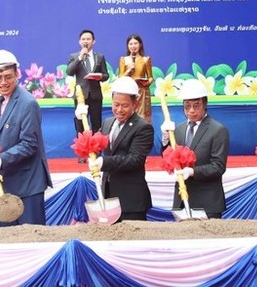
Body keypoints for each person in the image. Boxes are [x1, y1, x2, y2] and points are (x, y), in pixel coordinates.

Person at [0, 50, 53, 225]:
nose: (3, 82)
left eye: (8, 77)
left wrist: (1, 159)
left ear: (17, 74)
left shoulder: (28, 103)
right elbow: (0, 132)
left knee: (30, 238)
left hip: (26, 185)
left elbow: (29, 144)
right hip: (3, 183)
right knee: (6, 240)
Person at [160, 79, 229, 219]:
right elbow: (169, 157)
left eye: (196, 106)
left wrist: (192, 171)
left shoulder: (218, 130)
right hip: (182, 199)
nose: (191, 110)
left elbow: (218, 167)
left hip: (207, 202)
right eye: (187, 106)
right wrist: (165, 139)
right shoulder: (178, 130)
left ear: (205, 104)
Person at [88, 76, 154, 221]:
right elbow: (94, 144)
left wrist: (104, 162)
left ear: (135, 104)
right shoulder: (107, 123)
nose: (119, 110)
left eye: (124, 106)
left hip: (130, 202)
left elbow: (134, 160)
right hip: (108, 197)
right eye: (116, 104)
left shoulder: (143, 127)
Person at [67, 29, 109, 136]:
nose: (86, 41)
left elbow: (106, 75)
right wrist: (80, 57)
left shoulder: (99, 57)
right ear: (79, 42)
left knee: (96, 125)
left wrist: (99, 77)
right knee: (80, 125)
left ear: (93, 41)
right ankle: (82, 151)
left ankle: (97, 151)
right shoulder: (74, 56)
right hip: (81, 96)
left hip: (95, 96)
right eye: (83, 39)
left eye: (88, 39)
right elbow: (69, 72)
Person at [117, 33, 154, 123]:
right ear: (128, 46)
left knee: (142, 118)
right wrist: (128, 70)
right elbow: (120, 78)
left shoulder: (146, 59)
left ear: (140, 45)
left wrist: (147, 83)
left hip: (142, 92)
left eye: (135, 43)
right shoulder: (123, 59)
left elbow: (150, 77)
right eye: (131, 44)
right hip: (128, 92)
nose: (133, 46)